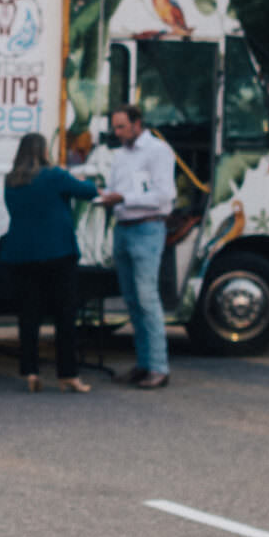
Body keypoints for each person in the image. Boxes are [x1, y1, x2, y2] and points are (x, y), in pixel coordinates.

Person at [0, 131, 98, 392]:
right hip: (58, 253)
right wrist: (82, 180)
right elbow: (89, 192)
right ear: (44, 151)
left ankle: (30, 372)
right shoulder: (55, 175)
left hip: (21, 255)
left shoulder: (11, 180)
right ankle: (68, 375)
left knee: (28, 316)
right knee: (64, 315)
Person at [95, 103, 175, 390]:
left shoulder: (157, 151)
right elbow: (118, 188)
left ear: (137, 124)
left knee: (146, 298)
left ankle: (159, 367)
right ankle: (144, 363)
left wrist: (123, 199)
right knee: (131, 299)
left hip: (147, 227)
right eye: (114, 127)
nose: (117, 133)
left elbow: (164, 195)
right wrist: (105, 196)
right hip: (124, 227)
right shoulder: (121, 156)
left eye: (121, 127)